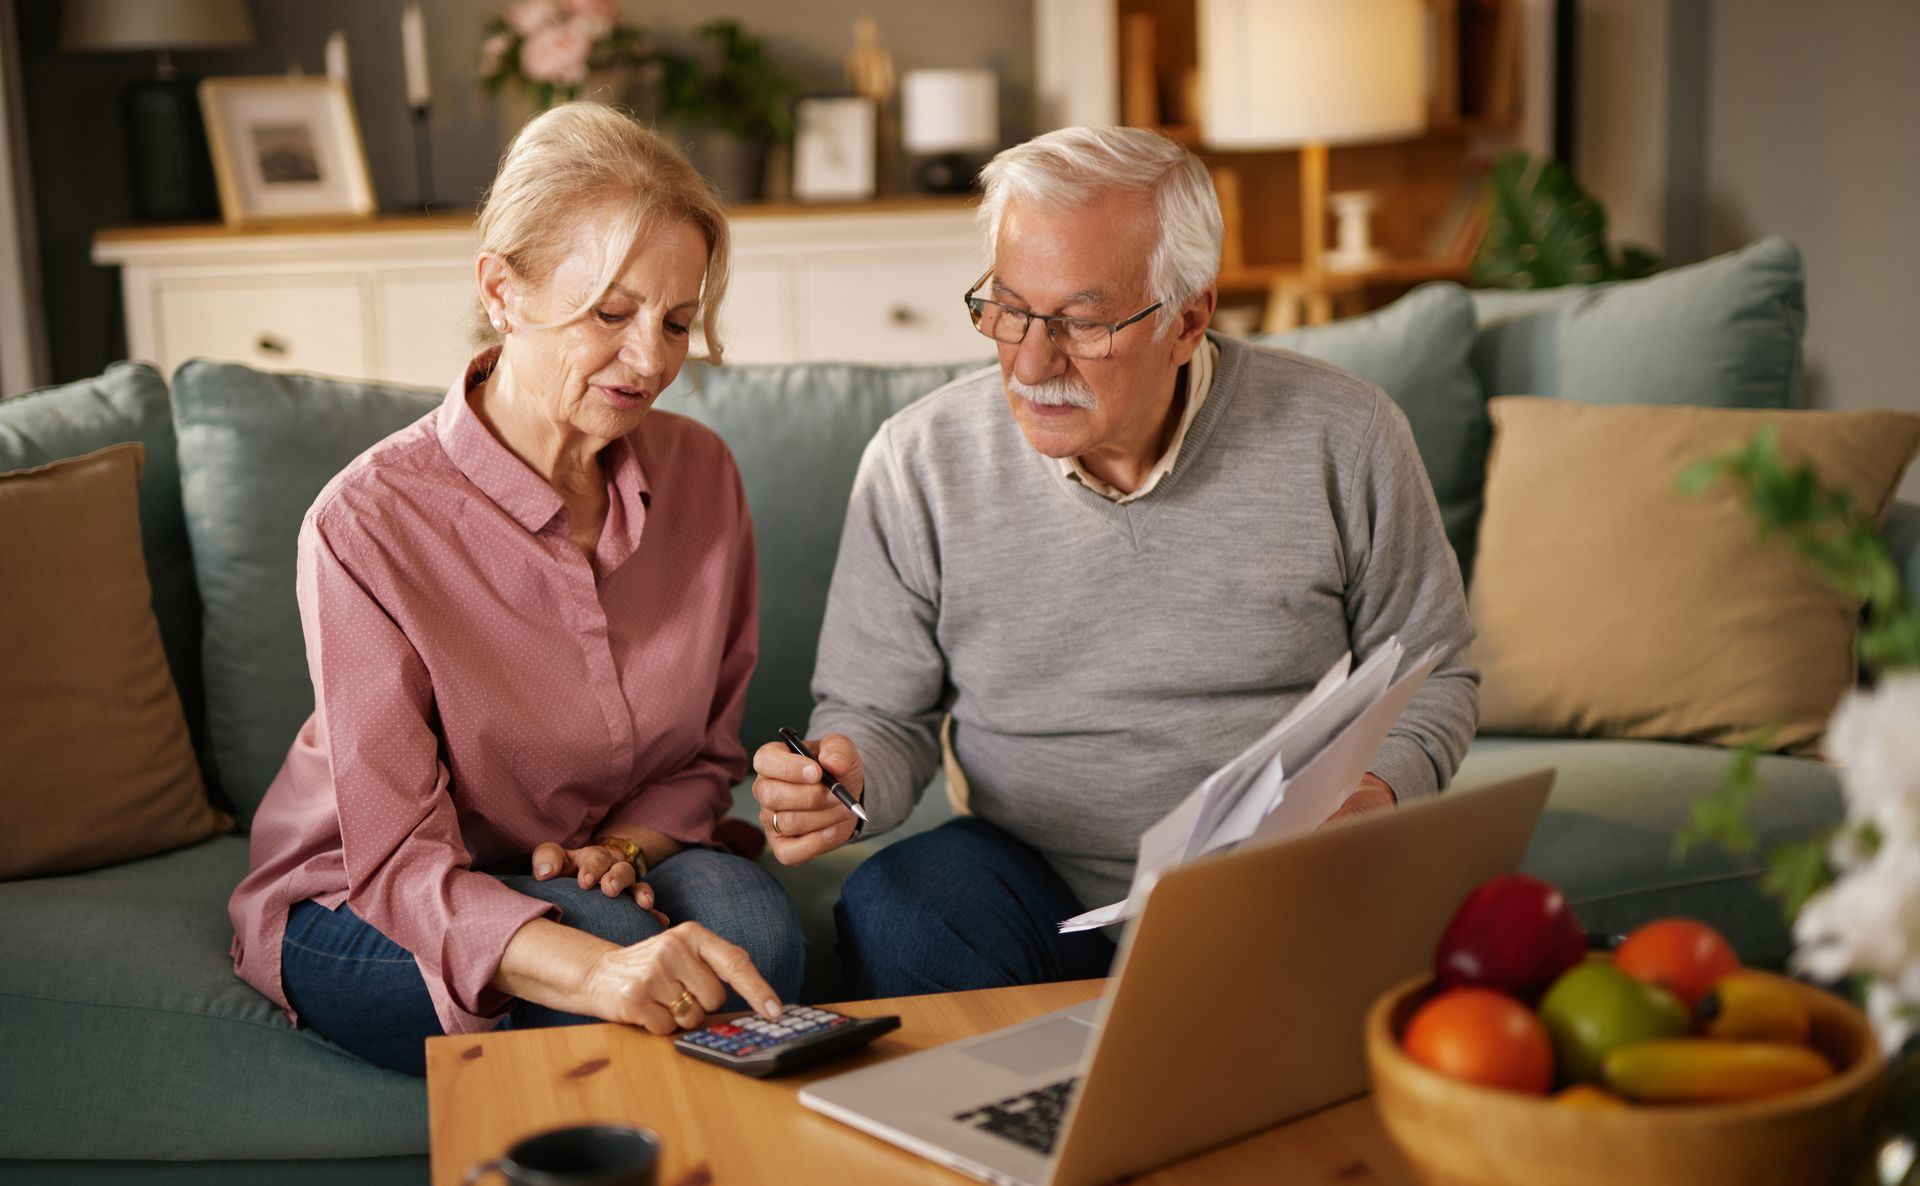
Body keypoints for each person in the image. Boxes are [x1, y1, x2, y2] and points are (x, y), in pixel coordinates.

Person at [750, 125, 1478, 999]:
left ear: (1190, 318)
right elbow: (877, 714)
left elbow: (1436, 673)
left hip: (1269, 871)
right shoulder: (919, 461)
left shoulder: (1344, 434)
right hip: (1030, 875)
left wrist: (1375, 794)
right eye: (1007, 309)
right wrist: (845, 774)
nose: (1029, 360)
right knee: (901, 908)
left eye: (1083, 323)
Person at [229, 103, 804, 1075]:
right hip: (373, 892)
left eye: (677, 320)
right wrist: (597, 976)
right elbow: (400, 861)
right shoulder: (368, 521)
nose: (653, 359)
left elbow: (707, 757)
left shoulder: (702, 475)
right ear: (502, 288)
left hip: (593, 850)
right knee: (639, 981)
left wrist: (622, 848)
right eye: (611, 314)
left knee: (762, 941)